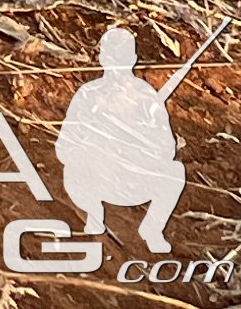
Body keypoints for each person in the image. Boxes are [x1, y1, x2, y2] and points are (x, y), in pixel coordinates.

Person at [55, 27, 187, 252]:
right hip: (96, 178)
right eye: (111, 58)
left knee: (174, 172)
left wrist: (140, 149)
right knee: (75, 165)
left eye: (122, 59)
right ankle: (94, 215)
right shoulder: (87, 94)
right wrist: (93, 148)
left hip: (134, 180)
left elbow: (167, 148)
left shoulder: (147, 97)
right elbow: (64, 146)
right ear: (102, 58)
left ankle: (152, 229)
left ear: (133, 60)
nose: (116, 67)